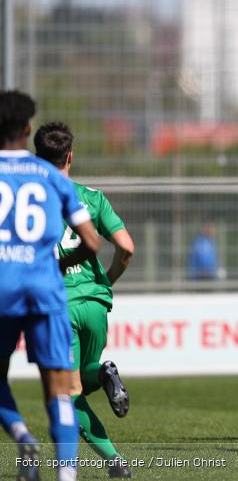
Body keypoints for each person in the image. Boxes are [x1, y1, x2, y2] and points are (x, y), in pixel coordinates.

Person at [0, 91, 101, 481]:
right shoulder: (48, 175)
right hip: (44, 289)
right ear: (27, 129)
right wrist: (60, 264)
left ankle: (23, 435)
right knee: (59, 389)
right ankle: (66, 477)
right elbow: (92, 242)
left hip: (2, 291)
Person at [35, 122, 135, 479]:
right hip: (95, 302)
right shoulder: (92, 197)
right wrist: (106, 281)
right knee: (85, 375)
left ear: (37, 158)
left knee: (66, 395)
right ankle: (106, 373)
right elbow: (126, 247)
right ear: (70, 157)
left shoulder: (26, 202)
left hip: (59, 307)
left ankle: (115, 462)